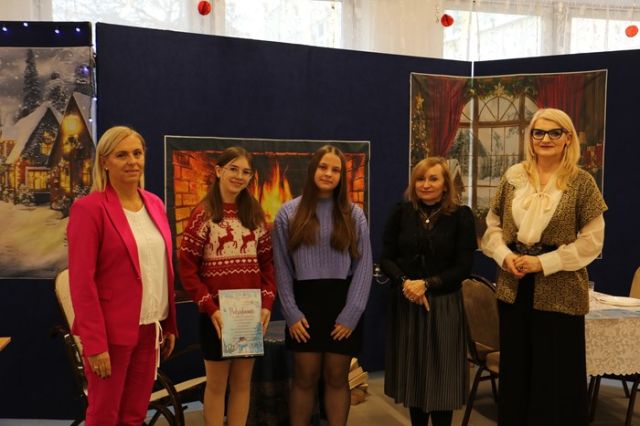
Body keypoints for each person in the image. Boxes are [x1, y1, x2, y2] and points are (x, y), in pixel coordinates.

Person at [481, 108, 607, 425]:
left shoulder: (582, 183)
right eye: (539, 132)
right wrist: (504, 256)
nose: (545, 139)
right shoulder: (513, 177)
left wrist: (543, 263)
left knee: (555, 377)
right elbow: (492, 228)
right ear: (531, 138)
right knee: (517, 373)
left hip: (560, 292)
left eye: (554, 132)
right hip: (514, 287)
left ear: (568, 138)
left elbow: (592, 242)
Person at [68, 126, 178, 425]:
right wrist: (95, 345)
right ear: (104, 161)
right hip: (110, 333)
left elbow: (160, 268)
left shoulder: (155, 204)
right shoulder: (88, 209)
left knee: (134, 415)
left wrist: (168, 323)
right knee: (104, 416)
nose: (132, 161)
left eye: (137, 153)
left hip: (149, 329)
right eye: (122, 155)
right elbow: (82, 283)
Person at [272, 145, 373, 426]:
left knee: (337, 378)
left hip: (343, 304)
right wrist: (291, 312)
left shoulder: (354, 214)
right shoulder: (287, 213)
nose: (328, 174)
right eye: (323, 167)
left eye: (335, 170)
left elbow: (364, 266)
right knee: (304, 378)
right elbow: (281, 267)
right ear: (312, 170)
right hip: (304, 307)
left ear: (342, 176)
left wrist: (352, 313)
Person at [178, 146, 276, 426]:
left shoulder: (255, 215)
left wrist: (267, 304)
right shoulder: (203, 214)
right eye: (233, 169)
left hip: (248, 315)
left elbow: (268, 265)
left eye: (245, 172)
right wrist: (209, 307)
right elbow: (187, 268)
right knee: (217, 384)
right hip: (217, 316)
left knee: (243, 383)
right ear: (219, 171)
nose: (239, 176)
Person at [380, 156, 476, 426]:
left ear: (446, 184)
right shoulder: (401, 212)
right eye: (420, 179)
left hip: (444, 305)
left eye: (433, 179)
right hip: (408, 303)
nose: (425, 184)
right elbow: (386, 258)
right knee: (415, 378)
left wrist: (427, 283)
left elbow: (463, 266)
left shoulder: (461, 216)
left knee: (442, 379)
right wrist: (406, 282)